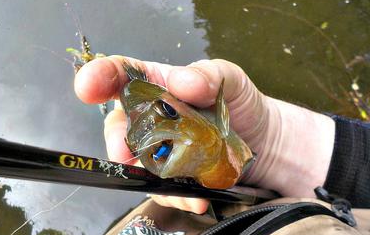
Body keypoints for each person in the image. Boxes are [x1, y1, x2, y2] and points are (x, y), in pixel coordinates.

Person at [74, 56, 370, 212]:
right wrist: (279, 140)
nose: (146, 139)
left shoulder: (216, 121)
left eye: (168, 113)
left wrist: (276, 133)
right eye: (134, 142)